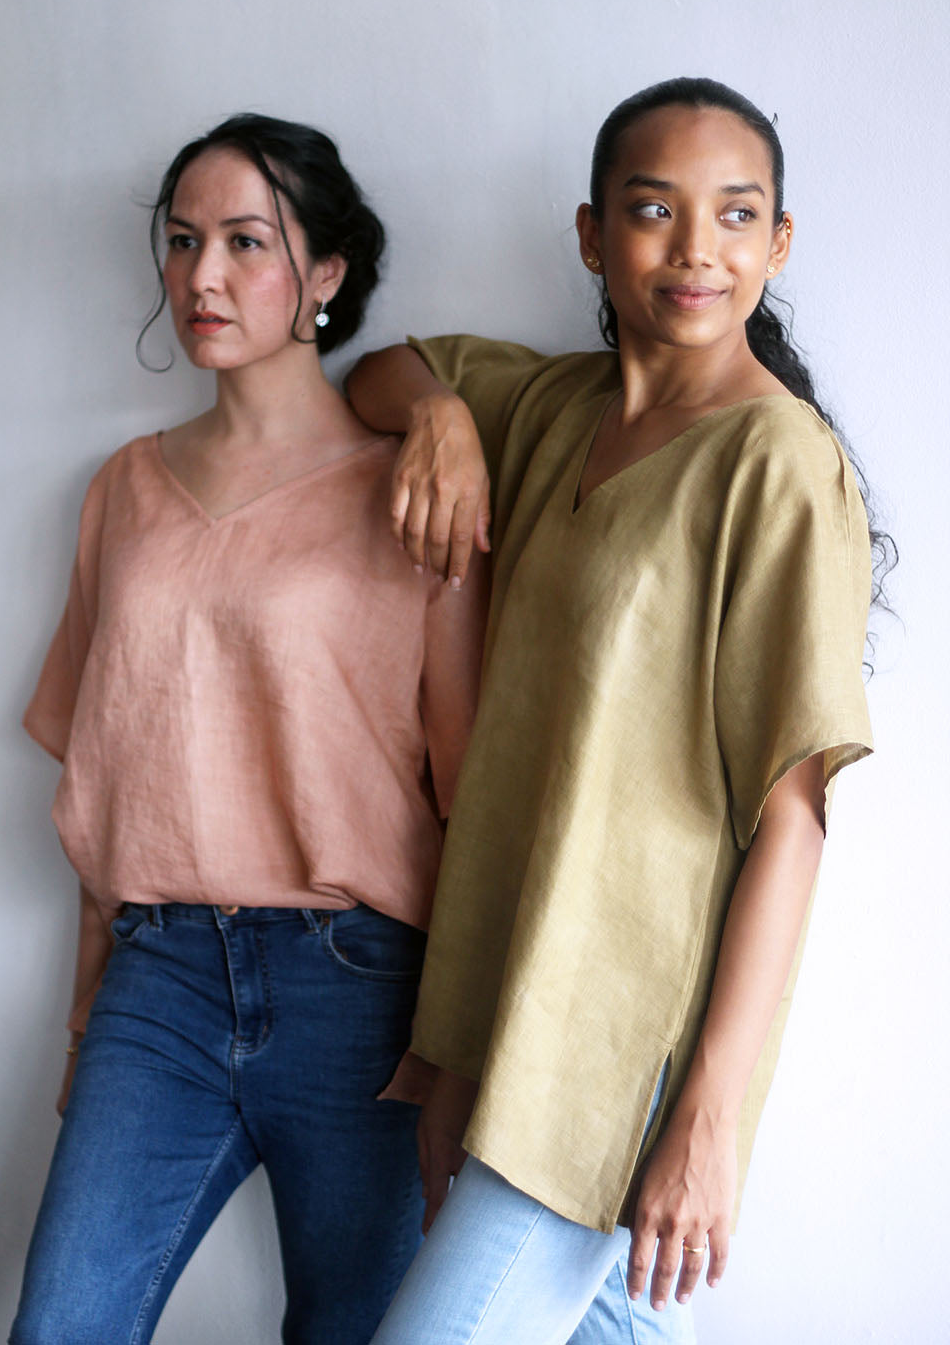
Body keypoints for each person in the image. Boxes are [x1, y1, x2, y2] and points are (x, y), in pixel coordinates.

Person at [346, 77, 885, 1344]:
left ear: (777, 243)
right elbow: (378, 372)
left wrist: (706, 1117)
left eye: (735, 214)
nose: (697, 248)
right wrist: (440, 417)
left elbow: (794, 818)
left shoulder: (778, 462)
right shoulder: (552, 408)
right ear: (592, 236)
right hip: (510, 1006)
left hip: (621, 1051)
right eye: (654, 210)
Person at [9, 114, 486, 1345]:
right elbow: (112, 774)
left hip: (362, 989)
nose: (202, 277)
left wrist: (460, 1049)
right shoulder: (124, 487)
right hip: (158, 981)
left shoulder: (413, 492)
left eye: (244, 242)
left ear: (324, 273)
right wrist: (85, 1021)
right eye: (181, 242)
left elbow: (469, 798)